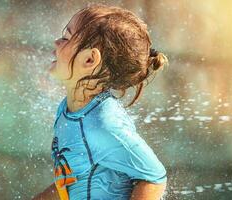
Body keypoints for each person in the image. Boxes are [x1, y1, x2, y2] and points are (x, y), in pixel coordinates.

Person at [32, 3, 168, 200]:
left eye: (66, 37)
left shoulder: (102, 125)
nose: (56, 42)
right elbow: (75, 179)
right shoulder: (68, 110)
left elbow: (154, 178)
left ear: (89, 60)